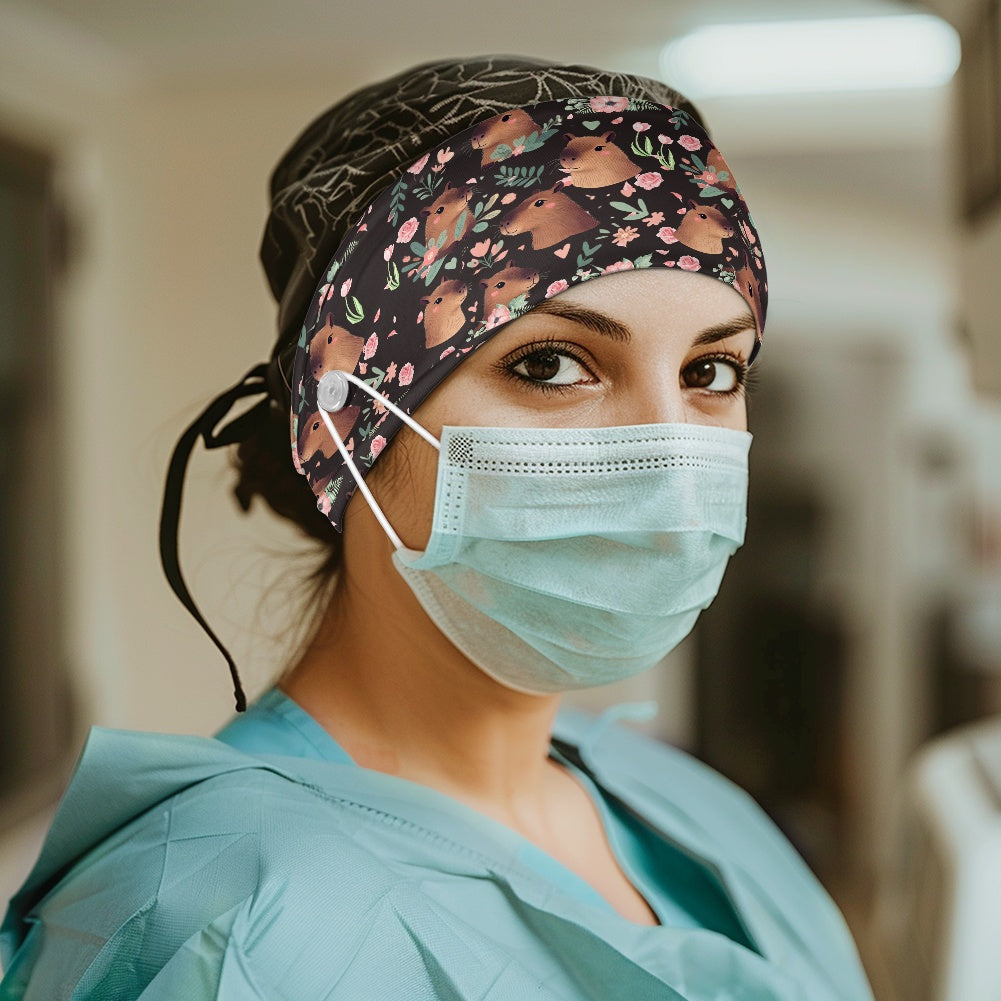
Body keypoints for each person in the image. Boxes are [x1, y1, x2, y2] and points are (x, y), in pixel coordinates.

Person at [0, 57, 874, 1000]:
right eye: (549, 363)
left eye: (711, 373)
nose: (667, 454)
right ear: (342, 423)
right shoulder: (220, 926)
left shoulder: (681, 808)